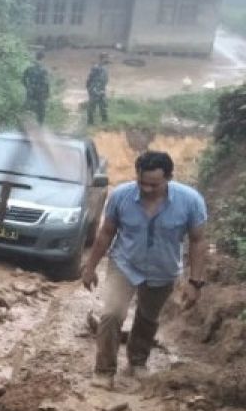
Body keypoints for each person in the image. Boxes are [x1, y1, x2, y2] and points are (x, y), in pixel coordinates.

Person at [81, 151, 208, 390]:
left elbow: (198, 241)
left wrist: (195, 282)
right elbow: (106, 233)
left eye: (154, 185)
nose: (147, 189)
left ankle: (137, 361)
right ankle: (104, 370)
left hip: (163, 269)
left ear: (169, 177)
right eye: (142, 182)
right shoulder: (121, 196)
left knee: (148, 319)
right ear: (136, 176)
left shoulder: (190, 201)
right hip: (124, 264)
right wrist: (90, 267)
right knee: (111, 315)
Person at [22, 50, 50, 124]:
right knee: (41, 110)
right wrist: (47, 93)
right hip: (40, 92)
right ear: (43, 58)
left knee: (27, 107)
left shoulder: (29, 68)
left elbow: (23, 79)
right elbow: (46, 83)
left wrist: (27, 87)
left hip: (31, 91)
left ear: (35, 57)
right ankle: (39, 125)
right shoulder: (44, 69)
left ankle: (27, 122)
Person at [86, 52, 110, 125]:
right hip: (95, 89)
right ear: (102, 59)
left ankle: (104, 121)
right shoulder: (96, 68)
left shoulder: (105, 68)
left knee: (103, 105)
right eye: (106, 58)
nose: (107, 60)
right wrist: (91, 88)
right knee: (92, 105)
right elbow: (90, 78)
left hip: (102, 89)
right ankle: (90, 121)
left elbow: (104, 80)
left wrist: (102, 89)